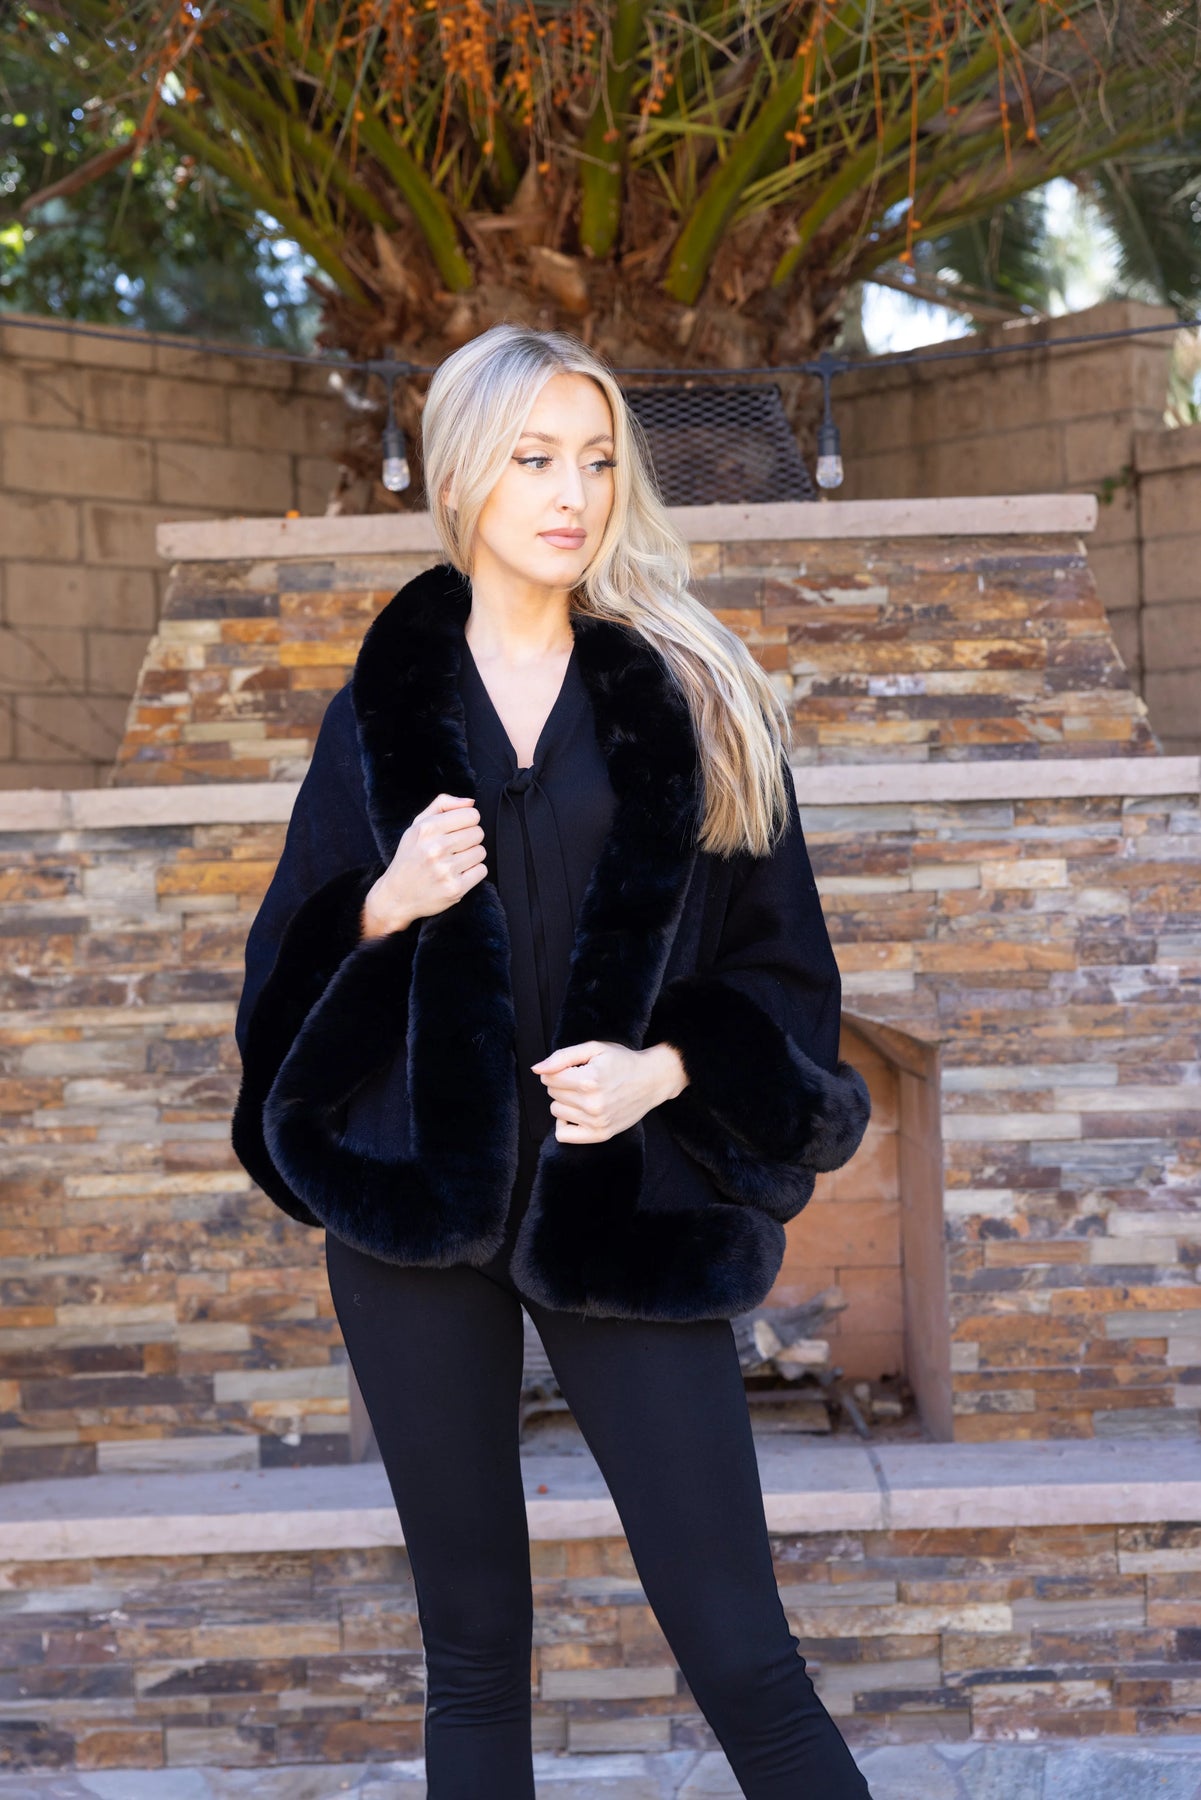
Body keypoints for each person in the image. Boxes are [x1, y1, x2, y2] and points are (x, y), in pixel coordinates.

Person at [232, 323, 873, 1798]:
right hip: (415, 1211)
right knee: (472, 1654)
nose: (572, 493)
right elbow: (276, 1001)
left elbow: (785, 974)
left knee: (744, 1655)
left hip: (626, 1209)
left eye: (594, 460)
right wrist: (384, 904)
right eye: (534, 459)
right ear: (462, 478)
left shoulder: (695, 699)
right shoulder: (375, 722)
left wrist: (664, 1071)